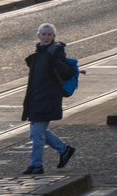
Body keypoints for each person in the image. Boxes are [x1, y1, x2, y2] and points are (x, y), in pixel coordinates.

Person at [20, 23, 77, 175]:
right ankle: (64, 150)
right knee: (37, 133)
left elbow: (67, 73)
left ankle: (36, 165)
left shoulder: (56, 52)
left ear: (53, 36)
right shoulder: (39, 53)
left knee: (37, 135)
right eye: (43, 34)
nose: (46, 37)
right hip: (36, 99)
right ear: (38, 36)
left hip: (48, 100)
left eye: (49, 34)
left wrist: (55, 61)